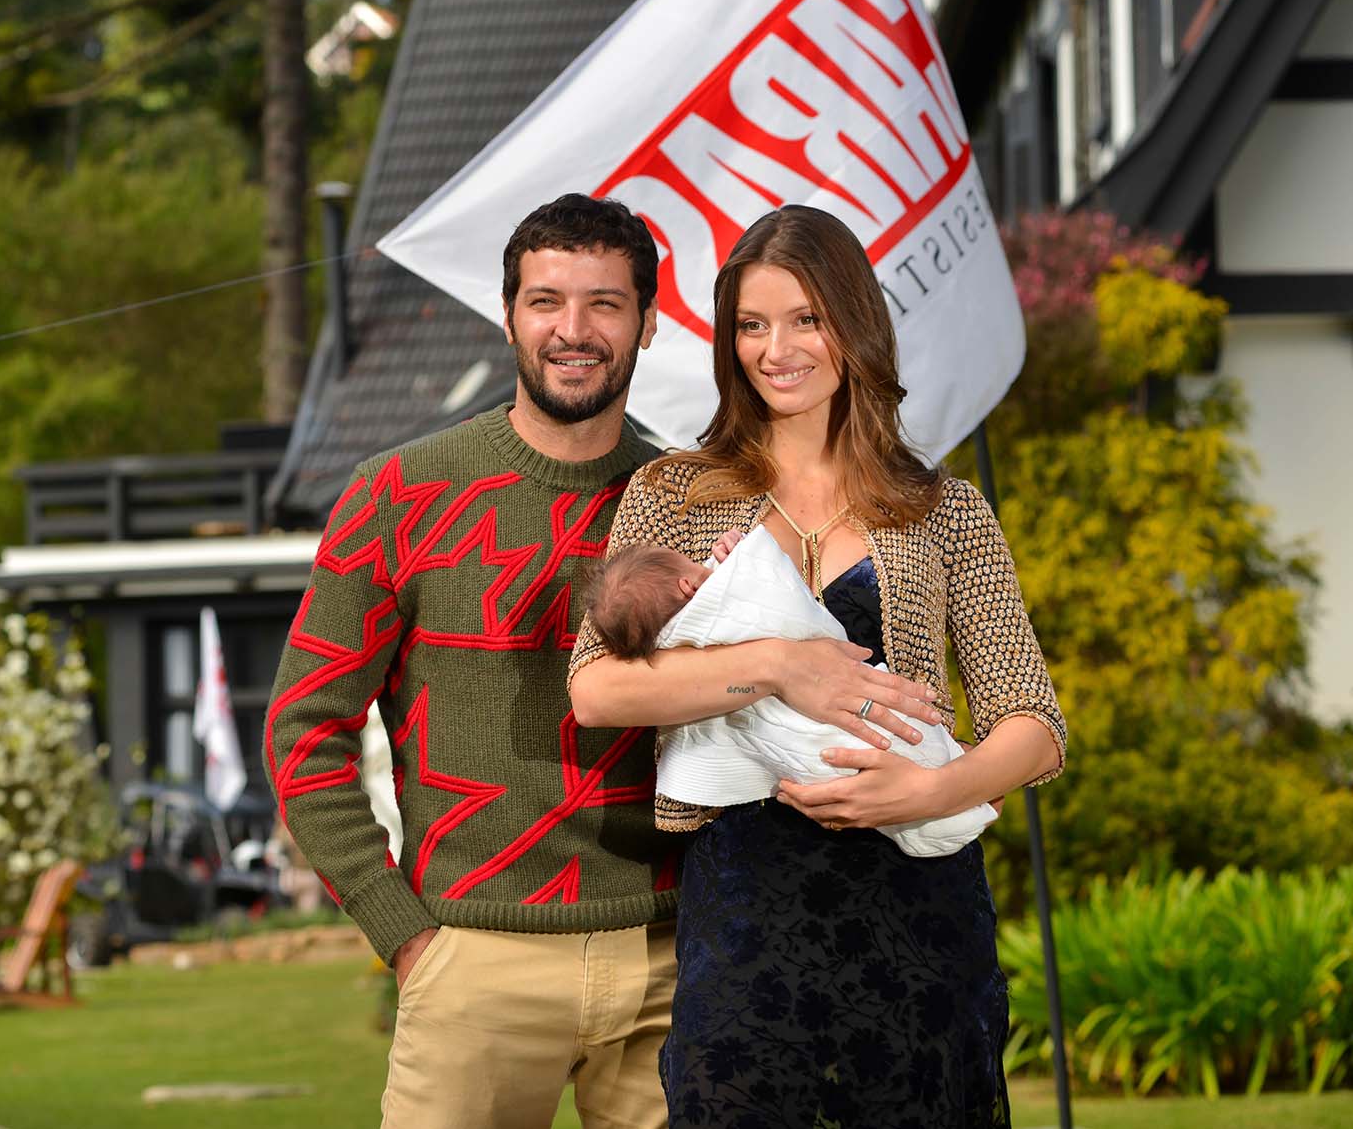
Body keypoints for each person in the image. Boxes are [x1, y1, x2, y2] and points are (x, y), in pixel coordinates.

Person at [570, 204, 1067, 1128]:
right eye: (751, 325)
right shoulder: (672, 494)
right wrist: (774, 665)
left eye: (805, 319)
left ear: (855, 325)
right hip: (748, 909)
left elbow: (1034, 725)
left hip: (918, 913)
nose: (776, 349)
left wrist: (927, 794)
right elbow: (597, 689)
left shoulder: (944, 511)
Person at [267, 193, 696, 1128]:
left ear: (650, 324)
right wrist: (402, 931)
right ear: (507, 317)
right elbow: (304, 729)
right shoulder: (399, 493)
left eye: (604, 304)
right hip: (473, 956)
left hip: (674, 961)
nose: (572, 330)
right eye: (545, 302)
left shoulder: (686, 500)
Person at [583, 532, 996, 858]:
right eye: (698, 565)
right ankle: (956, 796)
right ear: (689, 585)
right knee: (893, 746)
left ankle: (954, 798)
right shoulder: (668, 492)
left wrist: (941, 791)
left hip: (804, 807)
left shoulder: (673, 654)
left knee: (881, 768)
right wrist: (744, 568)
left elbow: (1032, 715)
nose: (709, 566)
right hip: (755, 860)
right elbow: (778, 598)